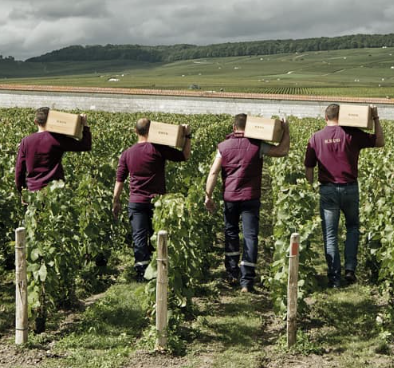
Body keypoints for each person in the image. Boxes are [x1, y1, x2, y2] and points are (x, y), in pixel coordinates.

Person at [204, 114, 290, 293]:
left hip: (230, 197)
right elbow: (282, 151)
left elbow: (213, 173)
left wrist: (208, 195)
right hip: (251, 197)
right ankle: (247, 280)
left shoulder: (223, 147)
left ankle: (232, 273)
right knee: (250, 236)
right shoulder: (257, 145)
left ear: (234, 127)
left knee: (231, 233)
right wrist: (285, 130)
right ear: (250, 127)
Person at [304, 104, 384, 288]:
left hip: (328, 189)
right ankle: (349, 269)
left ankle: (334, 278)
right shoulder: (352, 134)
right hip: (350, 188)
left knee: (330, 235)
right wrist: (376, 118)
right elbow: (380, 141)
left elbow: (309, 168)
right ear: (343, 117)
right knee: (353, 227)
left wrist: (311, 185)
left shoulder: (316, 138)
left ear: (325, 117)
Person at [113, 118, 192, 282]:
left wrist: (116, 200)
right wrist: (187, 136)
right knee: (158, 236)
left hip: (136, 202)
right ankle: (160, 270)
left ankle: (142, 274)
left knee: (139, 238)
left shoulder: (127, 153)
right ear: (152, 130)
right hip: (157, 202)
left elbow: (119, 179)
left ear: (135, 131)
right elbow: (184, 155)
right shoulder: (159, 149)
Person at [15, 107, 92, 197]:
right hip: (55, 192)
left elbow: (19, 171)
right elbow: (85, 145)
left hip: (33, 193)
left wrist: (22, 192)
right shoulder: (57, 138)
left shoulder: (26, 141)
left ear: (35, 122)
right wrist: (85, 125)